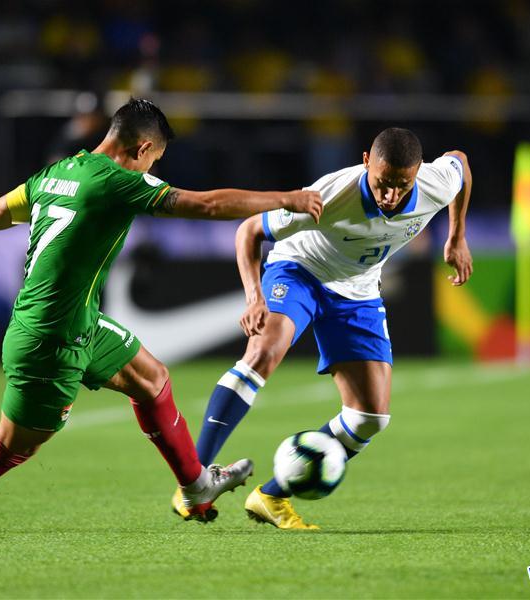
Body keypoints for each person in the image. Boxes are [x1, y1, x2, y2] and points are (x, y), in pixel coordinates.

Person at [0, 98, 323, 533]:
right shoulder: (119, 181)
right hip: (50, 340)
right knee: (11, 446)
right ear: (142, 149)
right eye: (155, 160)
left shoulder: (56, 173)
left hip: (78, 322)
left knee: (151, 378)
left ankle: (197, 485)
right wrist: (286, 198)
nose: (153, 170)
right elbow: (206, 205)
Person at [171, 128, 472, 529]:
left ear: (417, 173)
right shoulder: (330, 196)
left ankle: (271, 496)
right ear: (366, 161)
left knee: (369, 418)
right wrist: (253, 296)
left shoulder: (436, 183)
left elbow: (461, 163)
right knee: (262, 353)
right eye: (383, 184)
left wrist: (456, 236)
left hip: (358, 289)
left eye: (403, 186)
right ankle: (193, 482)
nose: (390, 196)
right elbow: (249, 231)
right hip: (299, 270)